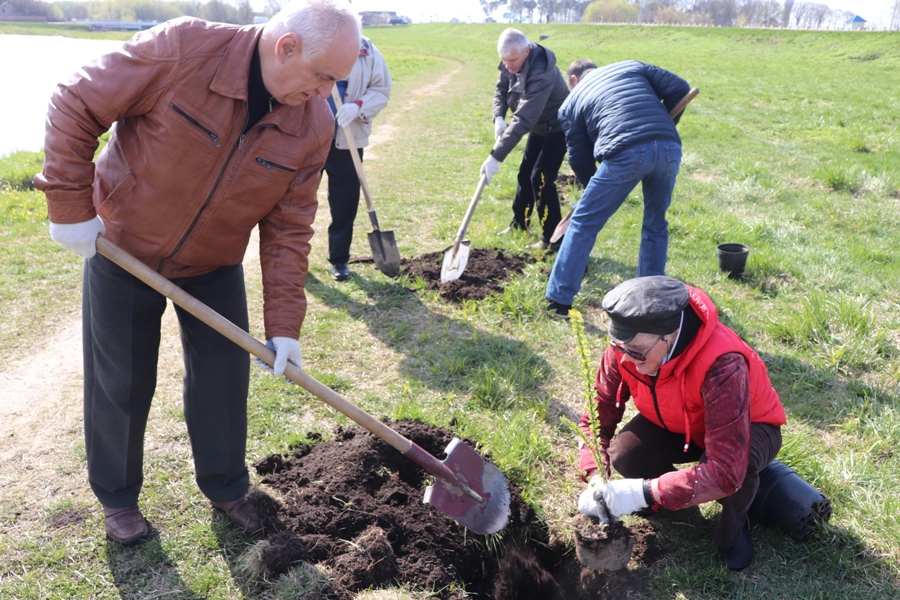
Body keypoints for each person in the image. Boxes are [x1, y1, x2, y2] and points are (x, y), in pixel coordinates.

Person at [33, 0, 361, 546]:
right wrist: (70, 208)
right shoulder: (184, 49)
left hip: (214, 261)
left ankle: (227, 487)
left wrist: (285, 324)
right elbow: (76, 100)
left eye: (336, 82)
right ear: (286, 48)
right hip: (124, 247)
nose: (326, 93)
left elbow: (290, 227)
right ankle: (117, 496)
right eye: (323, 77)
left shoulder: (314, 124)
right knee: (121, 378)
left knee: (223, 377)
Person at [575, 276, 785, 571]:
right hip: (680, 423)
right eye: (620, 348)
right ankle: (671, 496)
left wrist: (640, 492)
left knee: (738, 472)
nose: (627, 359)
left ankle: (732, 531)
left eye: (637, 352)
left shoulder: (722, 363)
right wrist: (595, 473)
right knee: (624, 454)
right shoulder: (627, 347)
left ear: (670, 335)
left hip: (749, 427)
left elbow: (726, 469)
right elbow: (598, 413)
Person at [545, 59, 690, 318]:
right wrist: (664, 128)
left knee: (583, 223)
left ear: (573, 80)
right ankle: (651, 300)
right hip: (669, 148)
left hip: (625, 153)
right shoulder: (631, 66)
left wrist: (591, 185)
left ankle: (558, 300)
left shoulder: (571, 102)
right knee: (655, 225)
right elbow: (680, 88)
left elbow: (578, 156)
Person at [481, 28, 569, 251]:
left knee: (540, 178)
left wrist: (495, 157)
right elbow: (501, 88)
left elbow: (522, 119)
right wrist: (499, 117)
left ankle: (553, 241)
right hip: (540, 126)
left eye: (512, 60)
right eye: (503, 60)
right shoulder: (510, 59)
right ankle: (521, 224)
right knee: (525, 173)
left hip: (559, 127)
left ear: (526, 51)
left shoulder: (542, 73)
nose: (508, 66)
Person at [323, 36, 392, 282]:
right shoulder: (310, 38)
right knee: (295, 200)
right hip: (307, 136)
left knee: (344, 201)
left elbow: (382, 88)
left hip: (347, 137)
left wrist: (357, 106)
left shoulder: (366, 48)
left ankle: (339, 259)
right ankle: (292, 258)